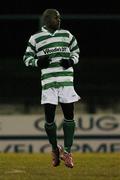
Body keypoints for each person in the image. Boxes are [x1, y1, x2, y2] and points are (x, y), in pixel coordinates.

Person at [23, 9, 80, 168]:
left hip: (66, 82)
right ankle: (55, 149)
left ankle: (67, 152)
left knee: (69, 116)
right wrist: (37, 62)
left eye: (59, 17)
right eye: (57, 17)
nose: (59, 19)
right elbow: (26, 57)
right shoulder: (35, 38)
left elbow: (76, 51)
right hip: (48, 83)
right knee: (49, 118)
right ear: (48, 19)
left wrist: (71, 61)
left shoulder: (67, 35)